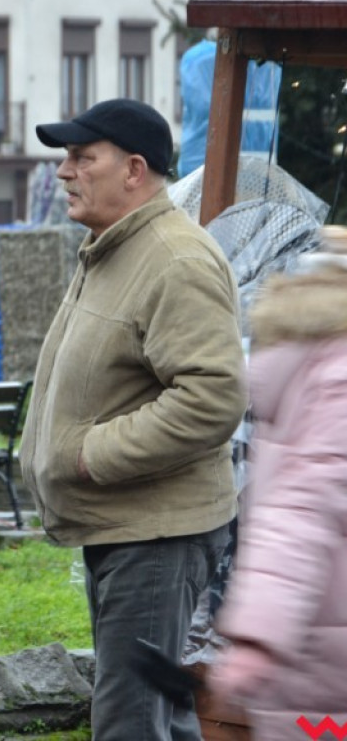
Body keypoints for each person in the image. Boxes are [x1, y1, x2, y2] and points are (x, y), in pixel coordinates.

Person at [18, 98, 248, 741]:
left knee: (129, 724)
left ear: (134, 170)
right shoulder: (115, 247)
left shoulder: (175, 259)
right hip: (129, 527)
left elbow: (212, 398)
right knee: (159, 718)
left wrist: (90, 454)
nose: (64, 172)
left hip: (156, 536)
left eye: (81, 157)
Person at [208, 225, 347, 741]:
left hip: (307, 647)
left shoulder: (306, 363)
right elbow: (303, 507)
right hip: (321, 661)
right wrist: (259, 637)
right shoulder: (338, 374)